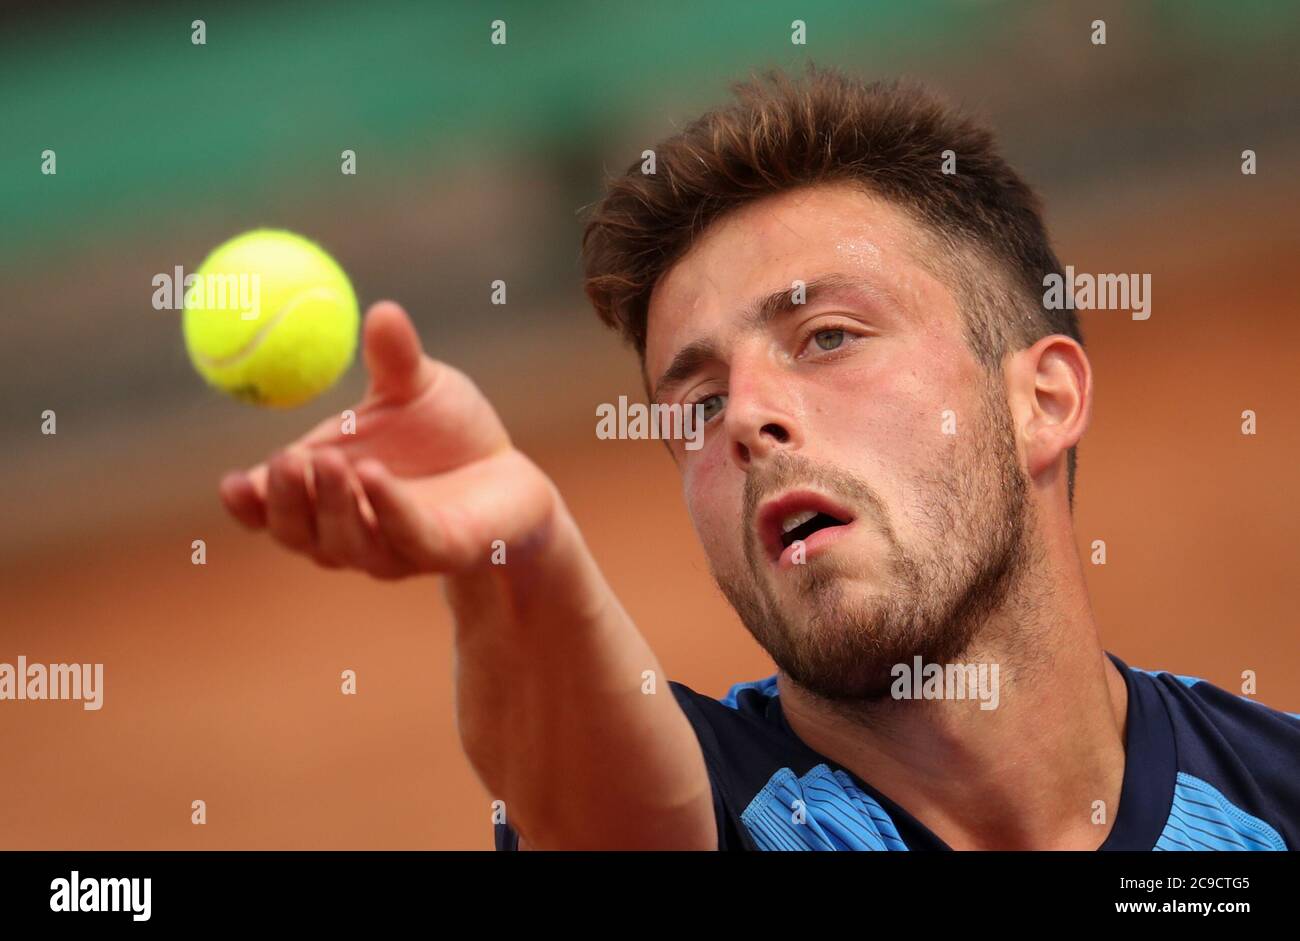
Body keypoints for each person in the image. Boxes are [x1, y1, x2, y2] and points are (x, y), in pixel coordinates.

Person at [219, 66, 1299, 850]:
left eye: (826, 336)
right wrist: (521, 563)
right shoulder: (719, 810)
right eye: (693, 399)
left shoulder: (1271, 797)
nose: (744, 418)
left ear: (1042, 399)